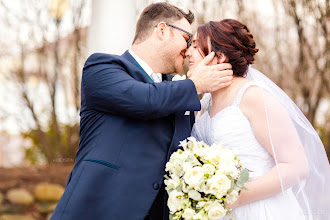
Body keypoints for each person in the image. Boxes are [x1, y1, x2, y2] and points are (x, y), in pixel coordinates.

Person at [50, 3, 233, 220]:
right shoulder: (102, 68)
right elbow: (145, 100)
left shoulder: (180, 94)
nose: (188, 49)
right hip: (97, 210)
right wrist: (196, 85)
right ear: (162, 30)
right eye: (187, 39)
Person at [187, 19, 330, 219]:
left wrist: (237, 197)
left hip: (260, 210)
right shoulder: (206, 101)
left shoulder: (254, 97)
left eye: (195, 46)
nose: (188, 52)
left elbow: (297, 166)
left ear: (219, 56)